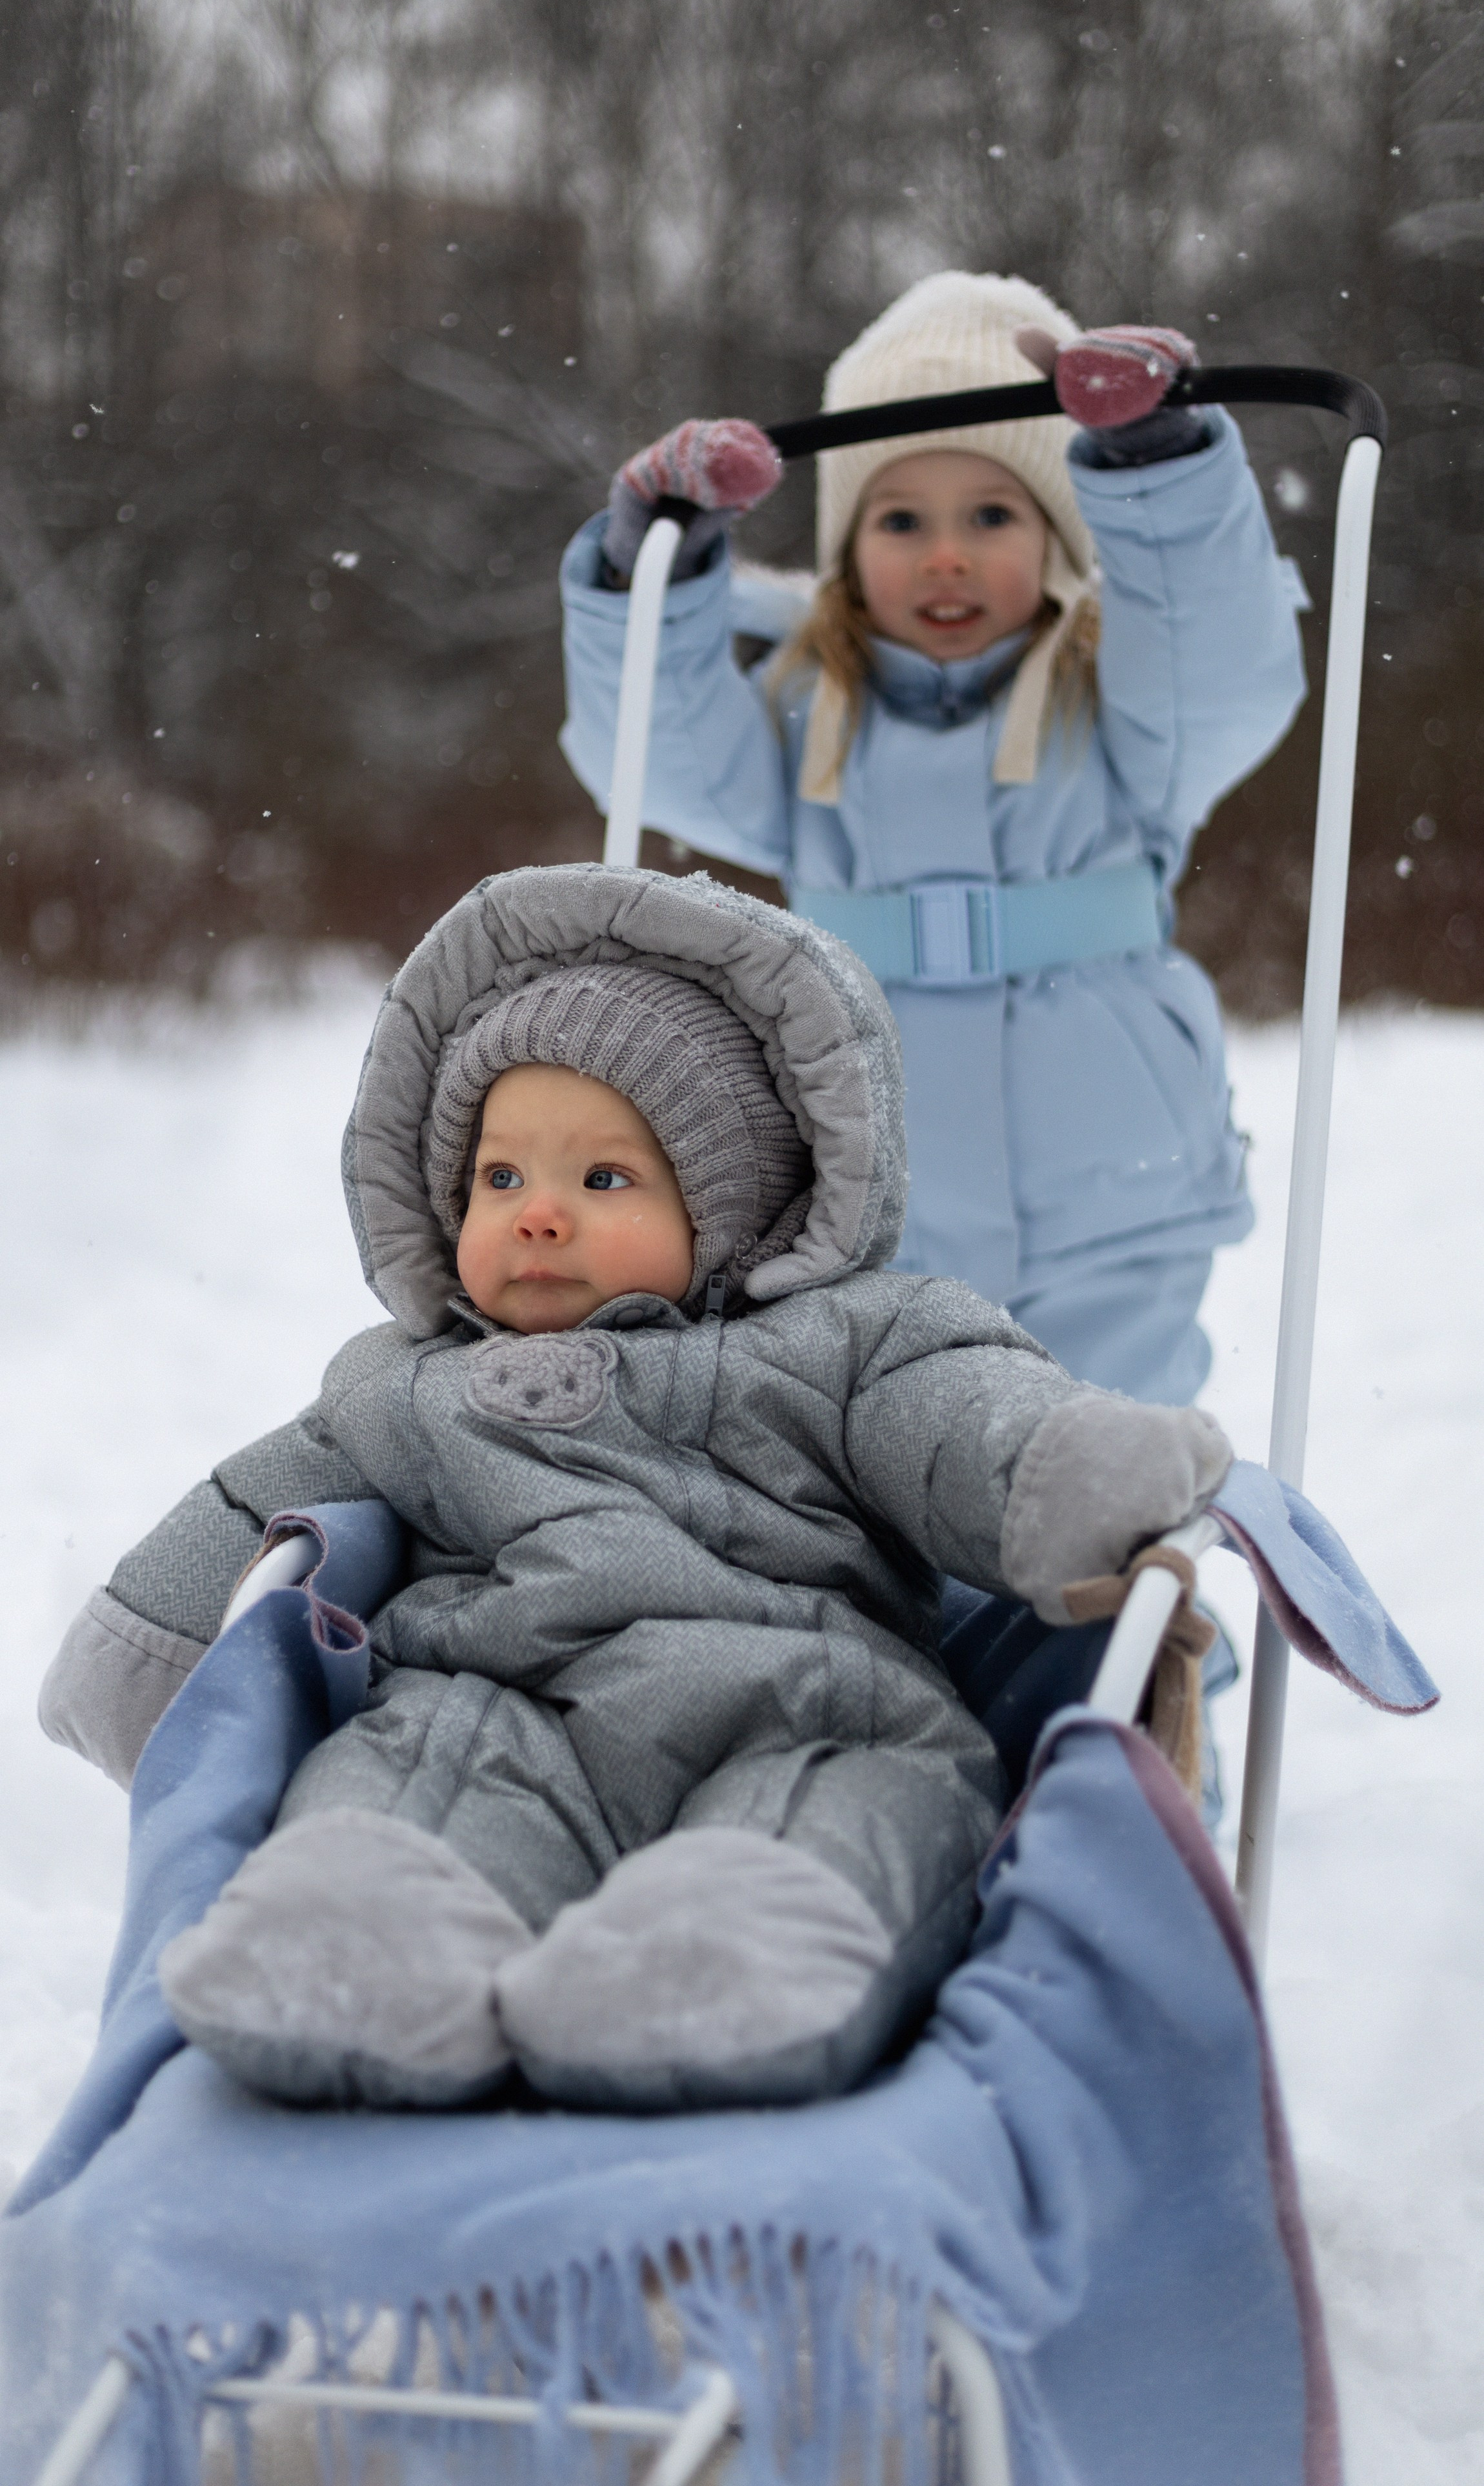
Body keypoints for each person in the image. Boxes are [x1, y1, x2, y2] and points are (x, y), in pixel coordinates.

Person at [38, 865, 1229, 2116]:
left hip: (805, 1707)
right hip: (497, 1706)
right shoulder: (402, 1385)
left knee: (848, 1819)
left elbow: (966, 1424)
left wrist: (1069, 1473)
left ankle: (714, 1968)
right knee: (406, 1782)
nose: (538, 1215)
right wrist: (151, 1649)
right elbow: (256, 1500)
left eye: (602, 1180)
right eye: (501, 1179)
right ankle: (361, 1944)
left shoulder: (847, 1340)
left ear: (732, 1206)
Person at [558, 274, 1310, 1407]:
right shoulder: (808, 710)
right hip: (867, 1166)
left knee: (1112, 1442)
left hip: (1110, 1180)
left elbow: (1225, 671)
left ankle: (1122, 1582)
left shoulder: (1126, 705)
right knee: (887, 1438)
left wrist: (1157, 467)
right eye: (902, 520)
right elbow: (659, 759)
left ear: (1057, 535)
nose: (946, 555)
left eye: (992, 515)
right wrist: (653, 569)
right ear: (847, 553)